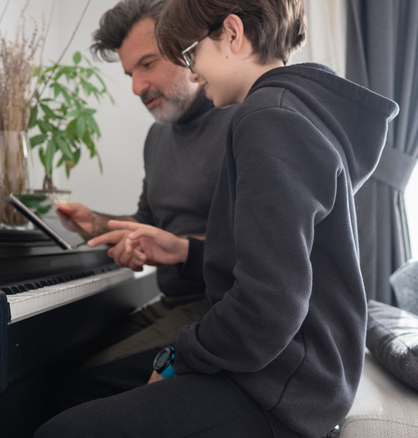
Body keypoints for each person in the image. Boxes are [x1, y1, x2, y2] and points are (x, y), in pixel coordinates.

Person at [36, 0, 399, 436]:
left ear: (232, 34)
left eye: (190, 55)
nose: (191, 71)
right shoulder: (287, 109)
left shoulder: (269, 120)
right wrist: (173, 249)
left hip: (284, 384)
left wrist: (175, 360)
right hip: (286, 367)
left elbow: (268, 306)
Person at [50, 0, 238, 408]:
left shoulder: (240, 120)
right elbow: (149, 222)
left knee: (82, 383)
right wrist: (97, 223)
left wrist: (173, 247)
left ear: (186, 46)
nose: (137, 87)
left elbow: (253, 244)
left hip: (219, 307)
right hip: (172, 302)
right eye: (130, 73)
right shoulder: (158, 138)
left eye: (148, 64)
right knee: (59, 359)